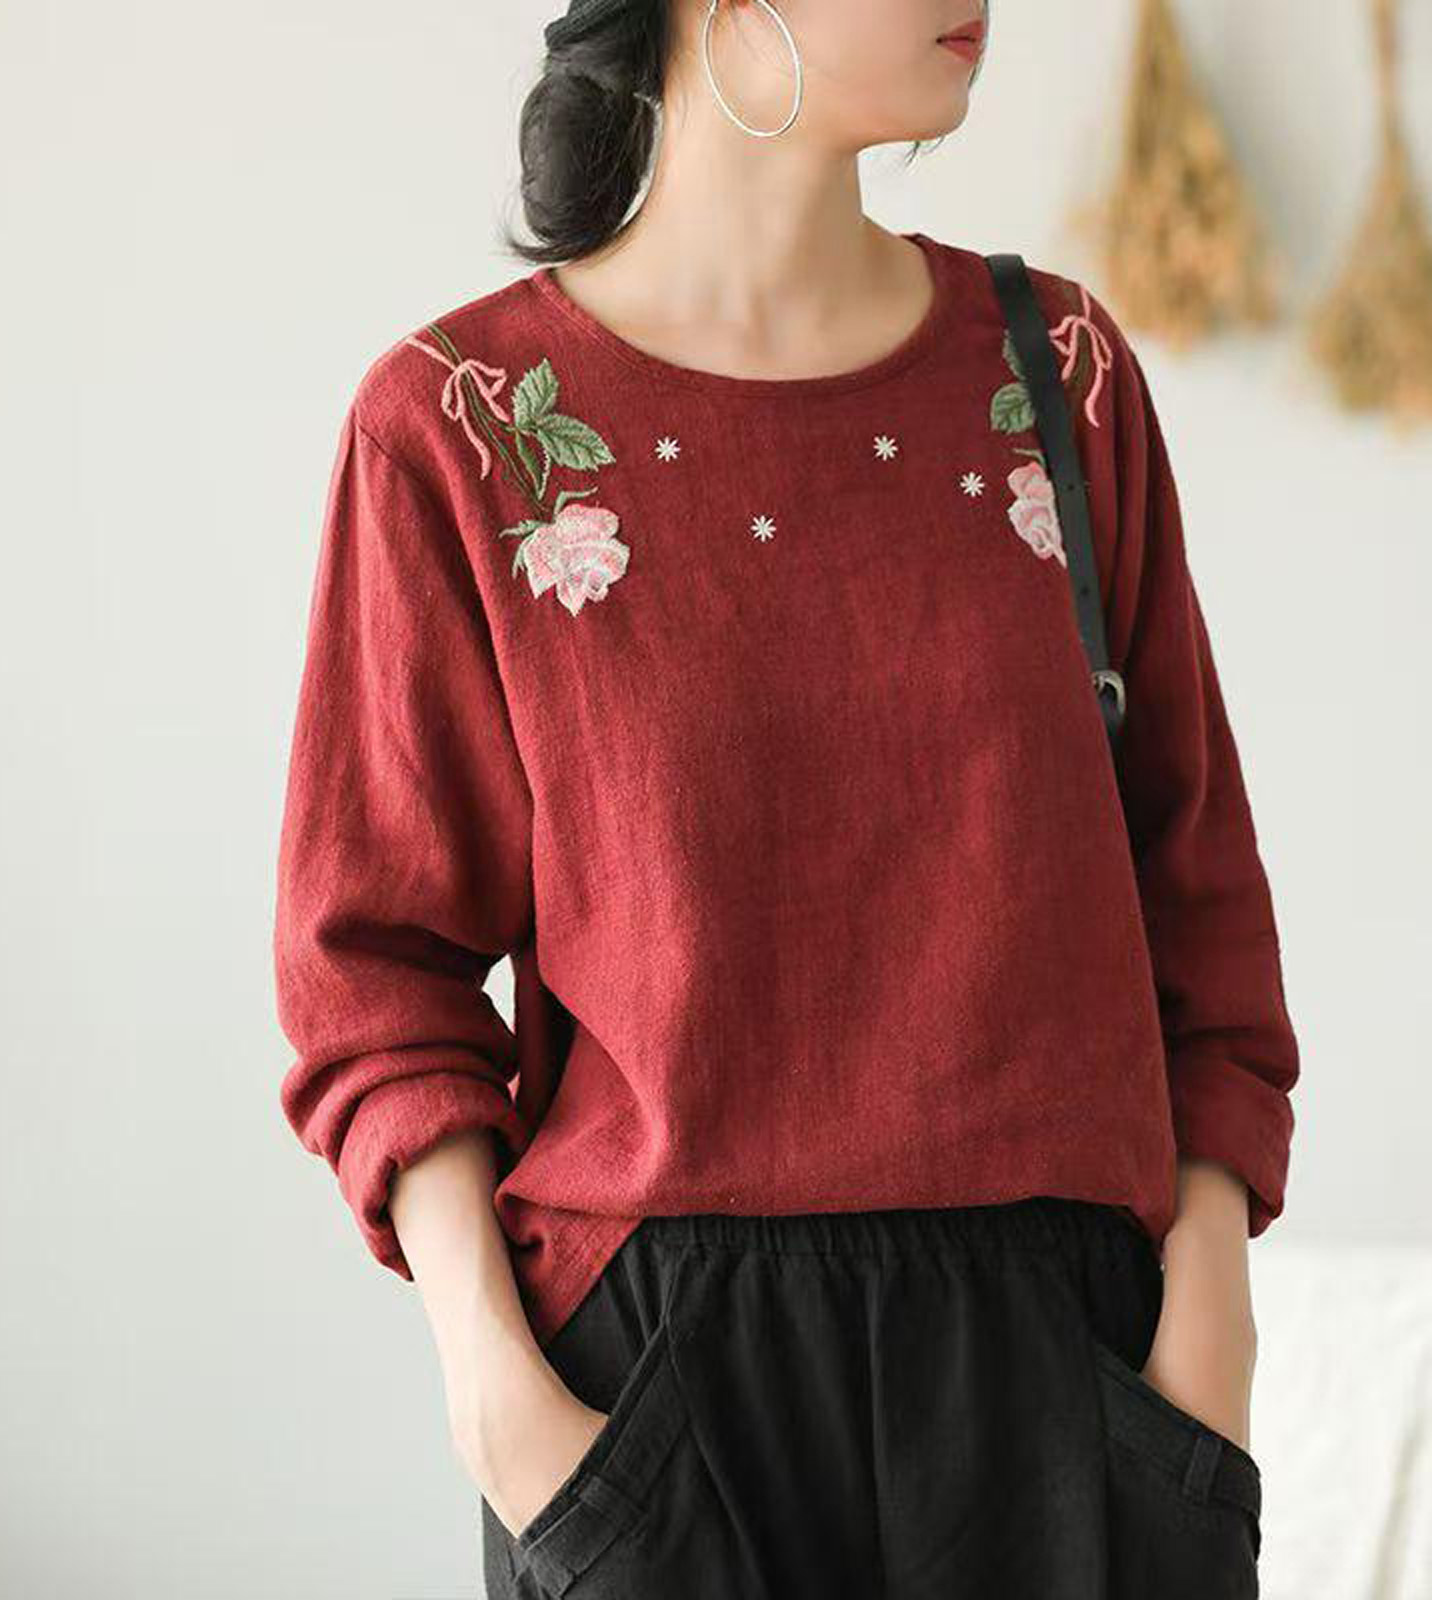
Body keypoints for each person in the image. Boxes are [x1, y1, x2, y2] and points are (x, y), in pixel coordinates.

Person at [271, 1, 1300, 1594]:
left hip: (1072, 1381)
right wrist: (501, 1400)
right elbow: (373, 977)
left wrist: (1211, 1324)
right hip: (653, 1395)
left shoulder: (1062, 376)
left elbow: (1201, 899)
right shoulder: (458, 425)